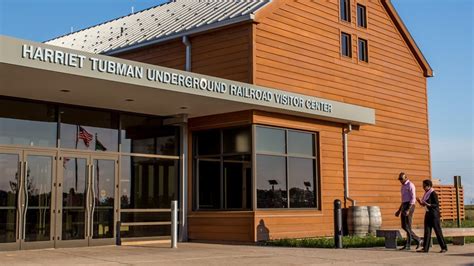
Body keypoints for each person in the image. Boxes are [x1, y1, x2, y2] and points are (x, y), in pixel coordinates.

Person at [416, 179, 448, 253]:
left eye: (424, 186)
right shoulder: (426, 193)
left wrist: (428, 204)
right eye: (423, 186)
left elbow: (436, 204)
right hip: (428, 214)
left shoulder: (433, 193)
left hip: (434, 215)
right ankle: (425, 248)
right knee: (427, 231)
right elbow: (423, 204)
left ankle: (444, 247)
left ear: (429, 186)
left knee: (438, 231)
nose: (423, 187)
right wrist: (419, 202)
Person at [395, 172, 421, 250]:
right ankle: (417, 239)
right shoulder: (402, 186)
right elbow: (403, 200)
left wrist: (408, 209)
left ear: (406, 178)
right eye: (399, 179)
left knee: (408, 225)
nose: (400, 180)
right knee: (404, 226)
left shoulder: (410, 185)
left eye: (401, 179)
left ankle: (409, 244)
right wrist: (399, 210)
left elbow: (413, 198)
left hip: (410, 205)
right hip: (404, 205)